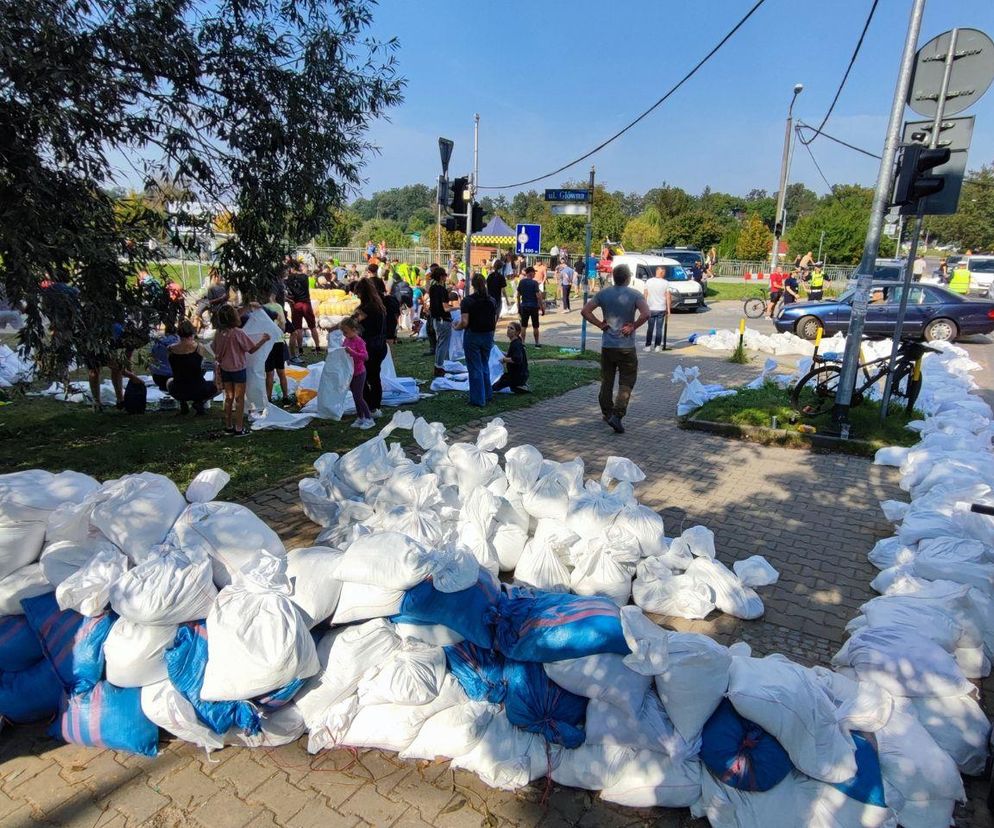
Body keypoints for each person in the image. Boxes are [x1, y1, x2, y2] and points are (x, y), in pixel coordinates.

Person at [580, 264, 650, 434]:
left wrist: (600, 324)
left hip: (608, 346)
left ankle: (607, 412)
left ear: (613, 277)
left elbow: (585, 311)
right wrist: (632, 326)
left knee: (607, 381)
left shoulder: (603, 293)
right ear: (627, 278)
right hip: (626, 347)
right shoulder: (635, 294)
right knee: (626, 382)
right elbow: (646, 314)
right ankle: (617, 415)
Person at [212, 304, 270, 436]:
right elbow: (251, 349)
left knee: (229, 398)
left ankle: (228, 426)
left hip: (225, 369)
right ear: (235, 318)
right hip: (238, 369)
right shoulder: (238, 333)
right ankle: (239, 428)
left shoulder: (219, 333)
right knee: (239, 399)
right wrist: (263, 340)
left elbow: (215, 349)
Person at [455, 273, 498, 407]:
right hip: (488, 334)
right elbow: (494, 318)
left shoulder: (467, 301)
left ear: (472, 285)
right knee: (484, 364)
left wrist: (457, 327)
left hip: (473, 335)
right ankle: (487, 393)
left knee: (474, 367)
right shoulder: (491, 300)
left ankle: (478, 399)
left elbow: (465, 322)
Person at [167, 319, 217, 415]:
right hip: (198, 388)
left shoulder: (170, 349)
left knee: (169, 381)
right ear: (192, 332)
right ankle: (199, 402)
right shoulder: (199, 347)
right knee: (217, 385)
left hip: (178, 388)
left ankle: (183, 403)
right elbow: (199, 364)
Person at [353, 278, 387, 417]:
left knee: (363, 377)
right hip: (380, 345)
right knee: (375, 377)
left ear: (362, 292)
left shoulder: (365, 309)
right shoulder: (379, 305)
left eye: (358, 293)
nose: (357, 296)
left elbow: (352, 322)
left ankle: (368, 405)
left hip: (369, 347)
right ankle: (375, 406)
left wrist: (334, 327)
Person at [340, 316, 375, 430]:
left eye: (346, 332)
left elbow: (365, 356)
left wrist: (352, 352)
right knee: (355, 397)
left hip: (359, 372)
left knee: (359, 397)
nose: (344, 334)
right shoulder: (346, 340)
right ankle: (360, 417)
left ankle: (369, 418)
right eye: (343, 332)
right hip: (350, 373)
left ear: (354, 329)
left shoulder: (359, 341)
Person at [286, 263, 320, 360]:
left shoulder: (289, 279)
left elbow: (289, 291)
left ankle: (300, 349)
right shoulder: (305, 277)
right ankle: (317, 347)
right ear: (299, 268)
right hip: (306, 303)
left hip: (296, 304)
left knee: (298, 328)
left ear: (292, 268)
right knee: (312, 326)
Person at [262, 293, 290, 404]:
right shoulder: (278, 306)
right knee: (281, 371)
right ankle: (285, 397)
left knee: (269, 373)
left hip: (267, 342)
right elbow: (283, 325)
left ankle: (268, 398)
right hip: (278, 341)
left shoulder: (261, 308)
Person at [492, 321, 530, 394]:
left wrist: (504, 360)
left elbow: (517, 359)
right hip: (519, 375)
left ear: (517, 332)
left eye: (511, 328)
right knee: (499, 381)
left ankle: (517, 388)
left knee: (494, 388)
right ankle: (519, 385)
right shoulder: (516, 342)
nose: (508, 330)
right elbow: (512, 355)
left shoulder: (516, 344)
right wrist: (500, 352)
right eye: (508, 327)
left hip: (517, 376)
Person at [429, 267, 454, 374]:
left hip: (436, 319)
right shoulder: (442, 290)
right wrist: (457, 307)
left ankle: (438, 365)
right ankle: (439, 366)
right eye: (445, 275)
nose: (446, 277)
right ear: (441, 277)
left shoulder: (432, 288)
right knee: (444, 344)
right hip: (444, 320)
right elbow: (445, 308)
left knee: (440, 343)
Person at [643, 267, 673, 353]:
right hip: (661, 308)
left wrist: (644, 307)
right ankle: (657, 346)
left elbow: (645, 294)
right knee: (659, 328)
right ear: (661, 272)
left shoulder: (649, 281)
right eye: (664, 272)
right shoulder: (666, 283)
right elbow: (668, 296)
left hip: (650, 308)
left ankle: (648, 346)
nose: (664, 274)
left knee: (650, 328)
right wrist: (668, 309)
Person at [516, 266, 544, 346]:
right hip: (534, 306)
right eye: (534, 272)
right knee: (535, 326)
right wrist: (542, 307)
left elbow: (518, 295)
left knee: (523, 325)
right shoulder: (534, 283)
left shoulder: (521, 282)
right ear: (530, 273)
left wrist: (518, 306)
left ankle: (523, 342)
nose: (535, 273)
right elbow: (538, 296)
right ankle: (537, 343)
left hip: (524, 306)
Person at [149, 322, 179, 391]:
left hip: (158, 378)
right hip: (174, 378)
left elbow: (150, 361)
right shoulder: (179, 344)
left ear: (165, 333)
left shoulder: (157, 344)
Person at [373, 275, 401, 345]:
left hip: (377, 332)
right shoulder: (391, 299)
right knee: (388, 351)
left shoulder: (372, 302)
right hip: (390, 329)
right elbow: (397, 314)